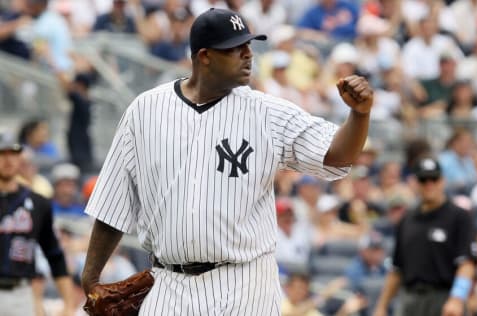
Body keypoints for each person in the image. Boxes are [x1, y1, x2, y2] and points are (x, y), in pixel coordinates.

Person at [81, 8, 374, 315]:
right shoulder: (145, 111)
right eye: (236, 48)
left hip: (246, 284)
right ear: (205, 56)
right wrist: (91, 278)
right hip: (169, 285)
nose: (249, 55)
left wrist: (360, 114)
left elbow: (339, 154)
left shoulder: (267, 113)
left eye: (249, 46)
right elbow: (113, 203)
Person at [373, 157, 477, 316]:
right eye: (423, 179)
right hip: (409, 299)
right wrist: (381, 306)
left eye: (434, 178)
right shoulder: (407, 220)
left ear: (442, 181)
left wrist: (457, 298)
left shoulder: (459, 217)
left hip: (443, 298)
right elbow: (396, 269)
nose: (429, 184)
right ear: (416, 183)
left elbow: (467, 263)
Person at [0, 130, 75, 316]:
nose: (8, 160)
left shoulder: (38, 203)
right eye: (2, 154)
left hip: (21, 292)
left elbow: (54, 253)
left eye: (13, 153)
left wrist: (68, 303)